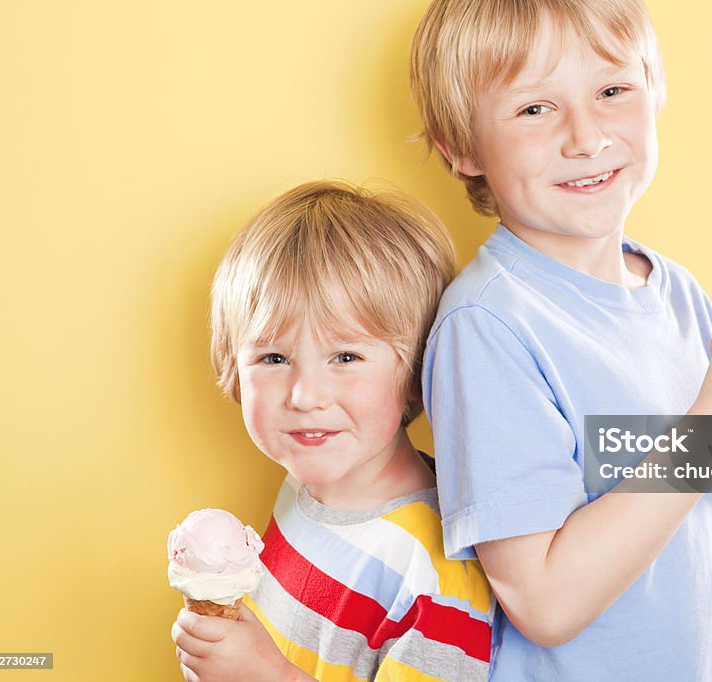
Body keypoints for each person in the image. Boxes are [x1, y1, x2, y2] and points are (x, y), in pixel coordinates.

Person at [409, 0, 712, 679]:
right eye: (533, 109)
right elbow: (542, 600)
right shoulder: (488, 326)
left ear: (653, 91)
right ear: (460, 147)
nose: (586, 137)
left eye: (611, 91)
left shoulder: (681, 296)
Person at [171, 181, 493, 682]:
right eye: (273, 358)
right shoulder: (306, 485)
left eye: (346, 357)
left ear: (415, 374)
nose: (304, 396)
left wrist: (269, 676)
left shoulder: (435, 575)